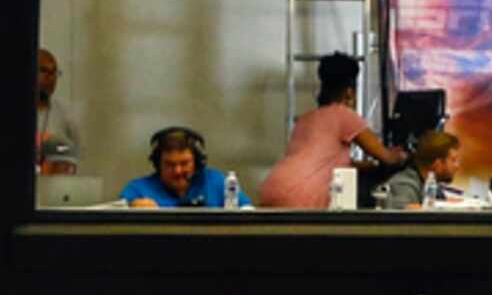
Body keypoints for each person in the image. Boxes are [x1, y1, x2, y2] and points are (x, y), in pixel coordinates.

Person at [264, 53, 408, 210]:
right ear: (349, 92)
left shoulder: (305, 119)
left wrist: (366, 165)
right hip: (302, 195)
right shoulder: (344, 115)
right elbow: (386, 157)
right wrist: (404, 154)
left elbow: (321, 161)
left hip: (273, 187)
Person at [126, 125, 246, 208]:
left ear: (197, 162)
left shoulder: (218, 183)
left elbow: (247, 210)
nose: (177, 171)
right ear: (158, 164)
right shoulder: (138, 190)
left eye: (184, 163)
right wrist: (133, 207)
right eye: (170, 164)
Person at [379, 130, 470, 211]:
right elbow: (402, 214)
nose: (457, 166)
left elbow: (443, 205)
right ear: (437, 164)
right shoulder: (404, 185)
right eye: (453, 160)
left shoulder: (432, 185)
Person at [36, 47, 82, 175]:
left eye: (54, 73)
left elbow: (74, 157)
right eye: (44, 71)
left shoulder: (66, 116)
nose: (50, 78)